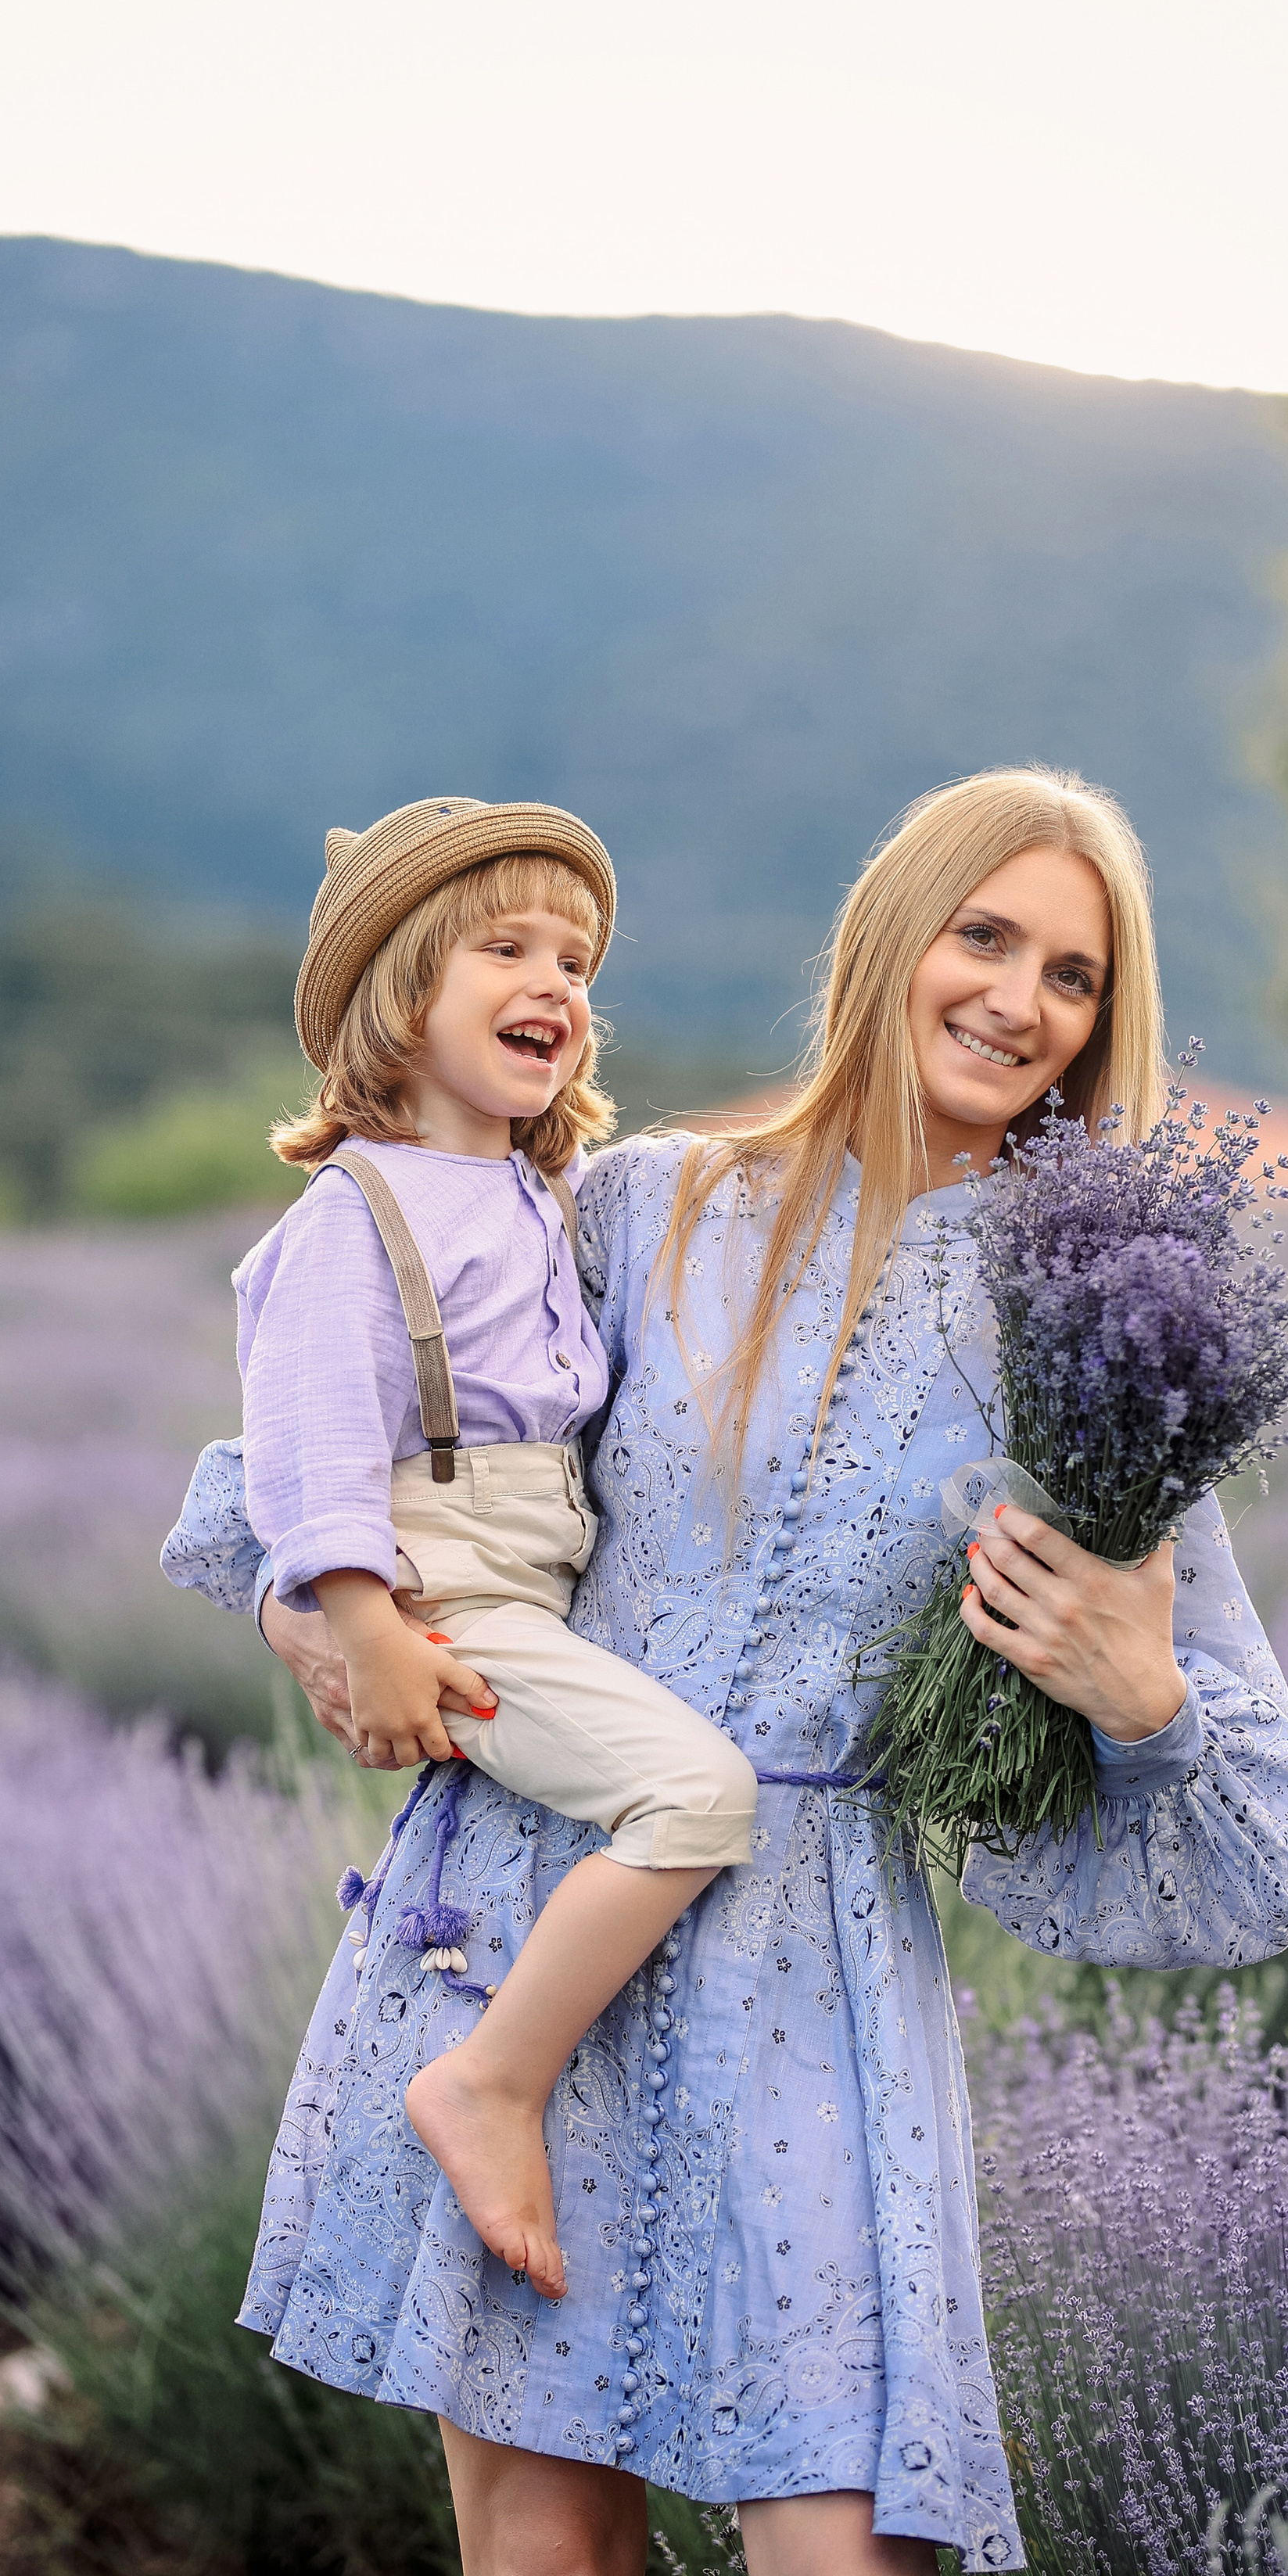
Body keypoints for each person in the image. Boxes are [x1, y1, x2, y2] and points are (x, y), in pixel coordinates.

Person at [179, 768, 1288, 2576]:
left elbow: (1241, 1857)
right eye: (985, 936)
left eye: (1073, 974)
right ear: (890, 938)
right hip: (532, 1919)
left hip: (814, 1989)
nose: (1020, 999)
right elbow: (339, 1429)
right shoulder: (642, 1205)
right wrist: (319, 1607)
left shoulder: (1094, 1338)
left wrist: (1138, 1695)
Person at [168, 795, 761, 2303]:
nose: (554, 983)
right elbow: (309, 1439)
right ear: (397, 996)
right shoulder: (354, 1213)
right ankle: (489, 2082)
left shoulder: (535, 1192)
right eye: (507, 949)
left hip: (534, 1573)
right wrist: (359, 1622)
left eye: (576, 962)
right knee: (696, 1794)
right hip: (450, 1591)